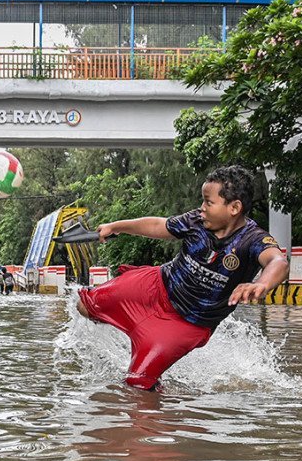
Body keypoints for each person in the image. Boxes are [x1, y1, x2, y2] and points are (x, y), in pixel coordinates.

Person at [76, 166, 289, 391]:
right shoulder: (196, 221)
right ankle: (131, 335)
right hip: (155, 286)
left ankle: (163, 402)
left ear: (234, 207)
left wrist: (261, 284)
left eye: (209, 202)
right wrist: (115, 226)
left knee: (137, 385)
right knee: (85, 305)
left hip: (187, 324)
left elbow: (278, 262)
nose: (202, 208)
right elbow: (159, 225)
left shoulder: (253, 240)